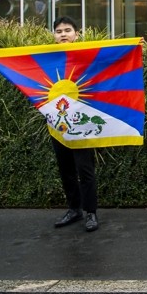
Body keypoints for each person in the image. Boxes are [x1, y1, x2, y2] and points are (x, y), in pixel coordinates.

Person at [50, 16, 100, 233]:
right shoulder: (47, 58)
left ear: (77, 34)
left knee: (84, 168)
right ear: (54, 35)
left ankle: (91, 212)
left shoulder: (86, 55)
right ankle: (74, 209)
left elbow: (109, 64)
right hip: (57, 122)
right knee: (66, 169)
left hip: (82, 122)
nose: (63, 34)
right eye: (59, 31)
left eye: (67, 30)